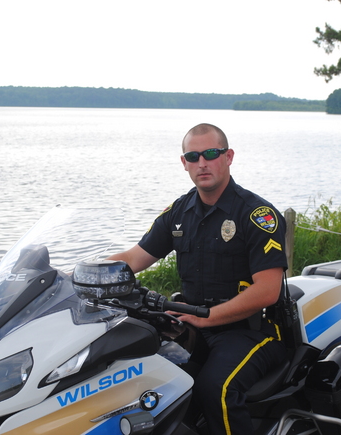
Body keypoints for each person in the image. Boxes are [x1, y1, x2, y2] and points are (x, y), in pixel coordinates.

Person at [108, 123, 288, 435]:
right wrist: (76, 274)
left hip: (251, 331)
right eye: (193, 156)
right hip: (193, 325)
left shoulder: (257, 214)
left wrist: (210, 317)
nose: (202, 163)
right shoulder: (180, 212)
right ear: (184, 163)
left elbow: (268, 290)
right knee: (147, 378)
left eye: (211, 154)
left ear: (228, 157)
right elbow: (133, 258)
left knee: (216, 389)